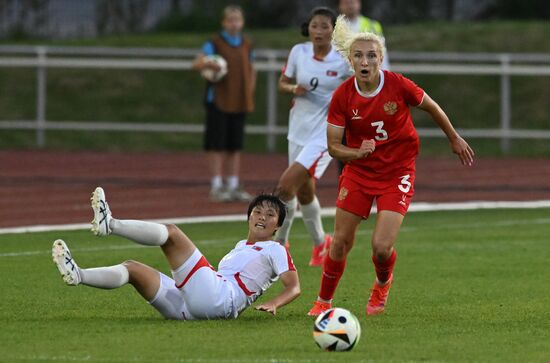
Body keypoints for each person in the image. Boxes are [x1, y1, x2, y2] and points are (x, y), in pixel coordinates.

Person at [308, 16, 475, 317]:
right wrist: (357, 152)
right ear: (350, 59)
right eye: (358, 55)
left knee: (381, 247)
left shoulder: (398, 84)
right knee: (341, 242)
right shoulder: (343, 96)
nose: (365, 60)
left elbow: (432, 107)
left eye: (372, 55)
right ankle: (323, 302)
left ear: (380, 59)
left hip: (398, 171)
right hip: (359, 171)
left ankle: (382, 283)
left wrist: (454, 138)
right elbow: (333, 146)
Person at [52, 187, 300, 320]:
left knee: (171, 234)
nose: (262, 218)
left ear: (278, 226)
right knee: (132, 269)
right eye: (258, 212)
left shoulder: (275, 248)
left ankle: (111, 224)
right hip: (193, 307)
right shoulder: (240, 246)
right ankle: (79, 275)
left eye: (270, 215)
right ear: (249, 216)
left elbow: (294, 287)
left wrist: (274, 303)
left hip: (220, 299)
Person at [274, 7, 351, 267]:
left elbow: (359, 88)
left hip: (323, 134)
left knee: (285, 186)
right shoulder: (299, 51)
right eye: (314, 26)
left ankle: (279, 245)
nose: (318, 31)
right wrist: (294, 88)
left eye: (324, 26)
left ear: (333, 31)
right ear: (308, 28)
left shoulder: (342, 59)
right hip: (297, 129)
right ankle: (321, 244)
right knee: (304, 192)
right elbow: (282, 83)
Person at [192, 5, 255, 202]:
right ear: (224, 22)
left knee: (234, 145)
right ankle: (217, 185)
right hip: (218, 99)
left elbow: (251, 69)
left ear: (242, 22)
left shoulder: (246, 43)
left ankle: (233, 184)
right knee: (216, 144)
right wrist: (208, 64)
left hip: (239, 100)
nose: (234, 24)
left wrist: (249, 91)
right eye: (230, 20)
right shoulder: (215, 43)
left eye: (237, 20)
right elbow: (197, 63)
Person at [337, 0, 390, 70]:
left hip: (368, 73)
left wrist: (385, 73)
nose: (350, 5)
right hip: (341, 74)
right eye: (346, 3)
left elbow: (382, 52)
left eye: (352, 2)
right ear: (340, 6)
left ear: (359, 3)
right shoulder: (332, 28)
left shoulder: (372, 26)